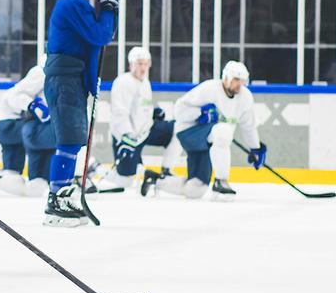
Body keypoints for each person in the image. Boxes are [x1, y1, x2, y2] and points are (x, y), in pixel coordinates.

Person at [42, 0, 118, 227]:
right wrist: (109, 11)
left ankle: (61, 196)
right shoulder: (71, 3)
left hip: (72, 79)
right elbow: (100, 36)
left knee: (73, 140)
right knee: (69, 140)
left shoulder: (81, 6)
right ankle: (56, 200)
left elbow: (97, 39)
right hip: (63, 79)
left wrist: (90, 83)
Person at [158, 60, 266, 200]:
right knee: (223, 131)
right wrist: (200, 114)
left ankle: (156, 180)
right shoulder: (210, 88)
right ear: (225, 77)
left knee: (196, 189)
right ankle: (221, 182)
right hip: (188, 133)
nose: (240, 84)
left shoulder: (245, 97)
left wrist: (255, 148)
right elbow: (178, 110)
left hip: (207, 142)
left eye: (243, 81)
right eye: (236, 80)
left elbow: (248, 126)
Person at [105, 46, 182, 191]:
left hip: (146, 130)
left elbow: (140, 108)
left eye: (146, 63)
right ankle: (96, 169)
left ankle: (165, 171)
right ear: (131, 64)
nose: (143, 67)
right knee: (125, 180)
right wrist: (126, 137)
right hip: (128, 138)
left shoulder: (145, 82)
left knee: (179, 129)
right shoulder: (123, 82)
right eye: (139, 63)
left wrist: (153, 112)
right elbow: (119, 111)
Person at [0, 64, 53, 197]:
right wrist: (31, 105)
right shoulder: (43, 71)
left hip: (11, 125)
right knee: (45, 136)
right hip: (11, 124)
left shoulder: (50, 69)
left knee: (15, 177)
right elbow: (13, 95)